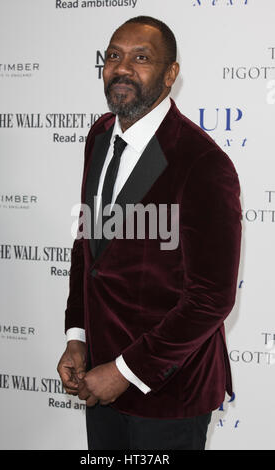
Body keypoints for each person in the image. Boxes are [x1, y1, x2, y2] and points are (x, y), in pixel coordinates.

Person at [57, 16, 242, 450]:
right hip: (99, 382)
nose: (122, 68)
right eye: (114, 56)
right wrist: (77, 336)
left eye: (141, 58)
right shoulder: (100, 135)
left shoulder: (202, 163)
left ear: (170, 73)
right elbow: (88, 246)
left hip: (169, 394)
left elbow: (211, 297)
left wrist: (124, 371)